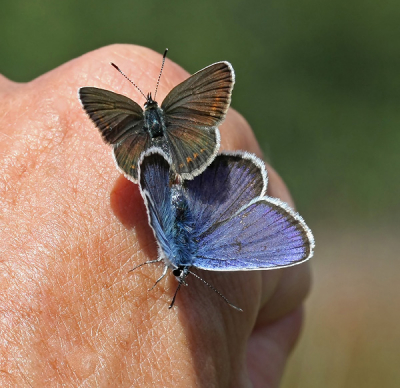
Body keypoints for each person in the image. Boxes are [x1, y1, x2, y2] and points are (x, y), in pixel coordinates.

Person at [0, 45, 311, 387]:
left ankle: (165, 174)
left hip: (163, 175)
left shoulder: (198, 258)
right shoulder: (208, 257)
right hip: (190, 175)